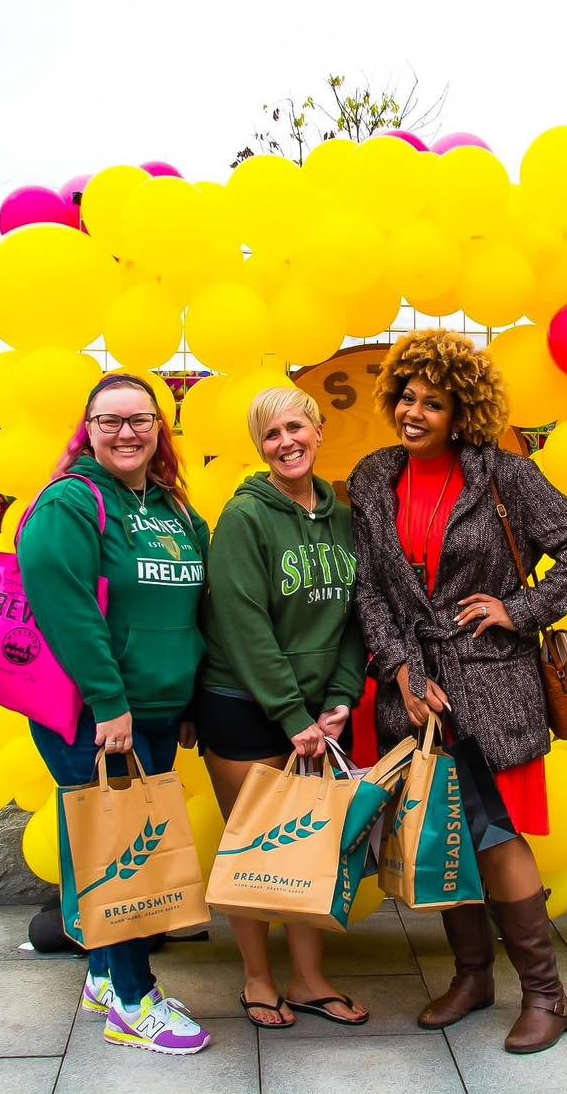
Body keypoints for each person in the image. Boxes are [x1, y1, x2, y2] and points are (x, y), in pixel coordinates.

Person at [348, 330, 567, 1055]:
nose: (413, 412)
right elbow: (369, 587)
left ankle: (548, 997)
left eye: (433, 403)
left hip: (491, 684)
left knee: (495, 835)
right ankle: (472, 978)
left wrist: (517, 611)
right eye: (406, 396)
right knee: (441, 833)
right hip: (418, 686)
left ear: (462, 411)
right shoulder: (374, 477)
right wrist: (400, 664)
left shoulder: (502, 474)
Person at [19, 373, 212, 1055]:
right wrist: (111, 703)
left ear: (161, 428)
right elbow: (65, 607)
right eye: (110, 420)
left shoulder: (176, 510)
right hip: (95, 716)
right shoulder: (72, 502)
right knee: (124, 856)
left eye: (140, 419)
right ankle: (134, 1002)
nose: (126, 432)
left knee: (111, 842)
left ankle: (104, 971)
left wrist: (183, 701)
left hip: (155, 711)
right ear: (88, 428)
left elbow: (189, 611)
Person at [196, 387, 369, 1030]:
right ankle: (258, 978)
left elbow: (357, 617)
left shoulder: (346, 519)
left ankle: (309, 978)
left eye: (296, 427)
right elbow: (242, 624)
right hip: (244, 703)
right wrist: (292, 715)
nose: (286, 442)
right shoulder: (245, 517)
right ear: (259, 448)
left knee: (308, 849)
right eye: (270, 435)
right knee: (255, 847)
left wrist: (341, 699)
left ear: (319, 431)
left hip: (318, 711)